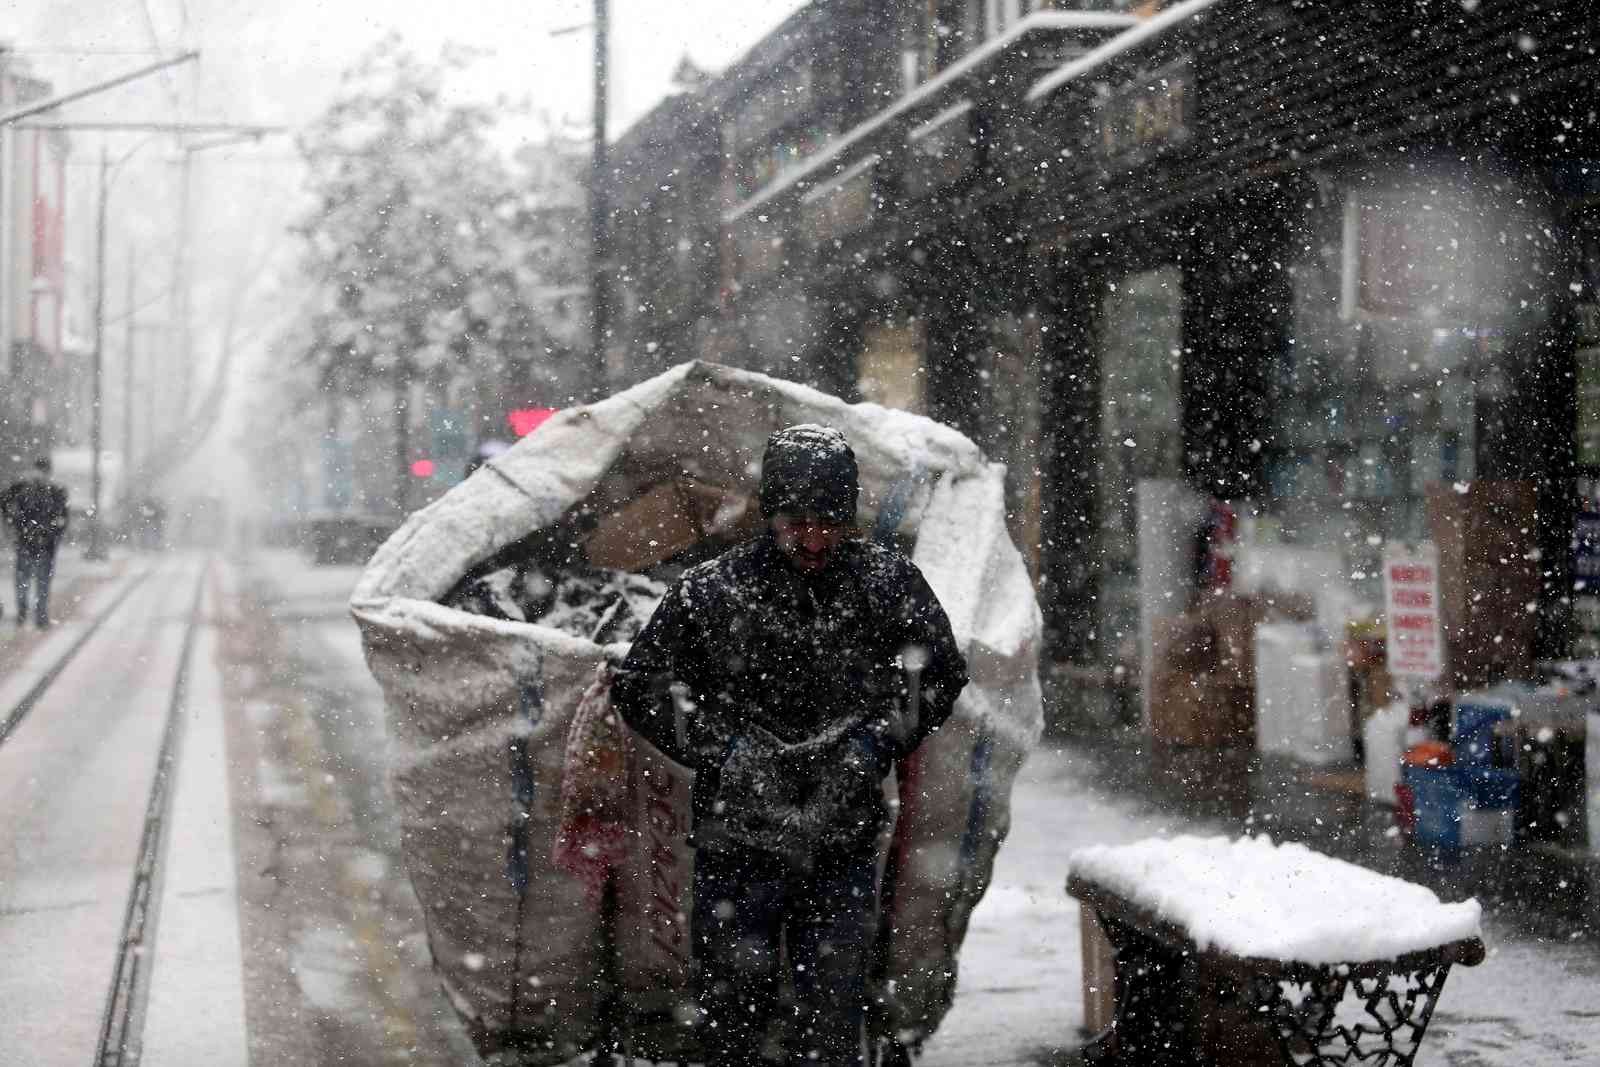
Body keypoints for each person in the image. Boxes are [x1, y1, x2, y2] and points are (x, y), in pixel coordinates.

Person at [611, 424, 968, 1067]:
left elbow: (939, 674)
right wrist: (725, 750)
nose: (813, 539)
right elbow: (640, 684)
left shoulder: (887, 584)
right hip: (738, 837)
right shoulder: (712, 590)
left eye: (828, 522)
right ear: (771, 515)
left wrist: (872, 744)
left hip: (844, 835)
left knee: (833, 1007)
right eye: (797, 521)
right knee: (731, 1011)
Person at [1, 456, 70, 628]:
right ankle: (40, 617)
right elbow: (63, 517)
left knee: (25, 580)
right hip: (44, 543)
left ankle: (24, 614)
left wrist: (12, 522)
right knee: (41, 582)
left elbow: (4, 501)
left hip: (27, 540)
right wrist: (55, 533)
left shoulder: (23, 487)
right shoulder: (56, 490)